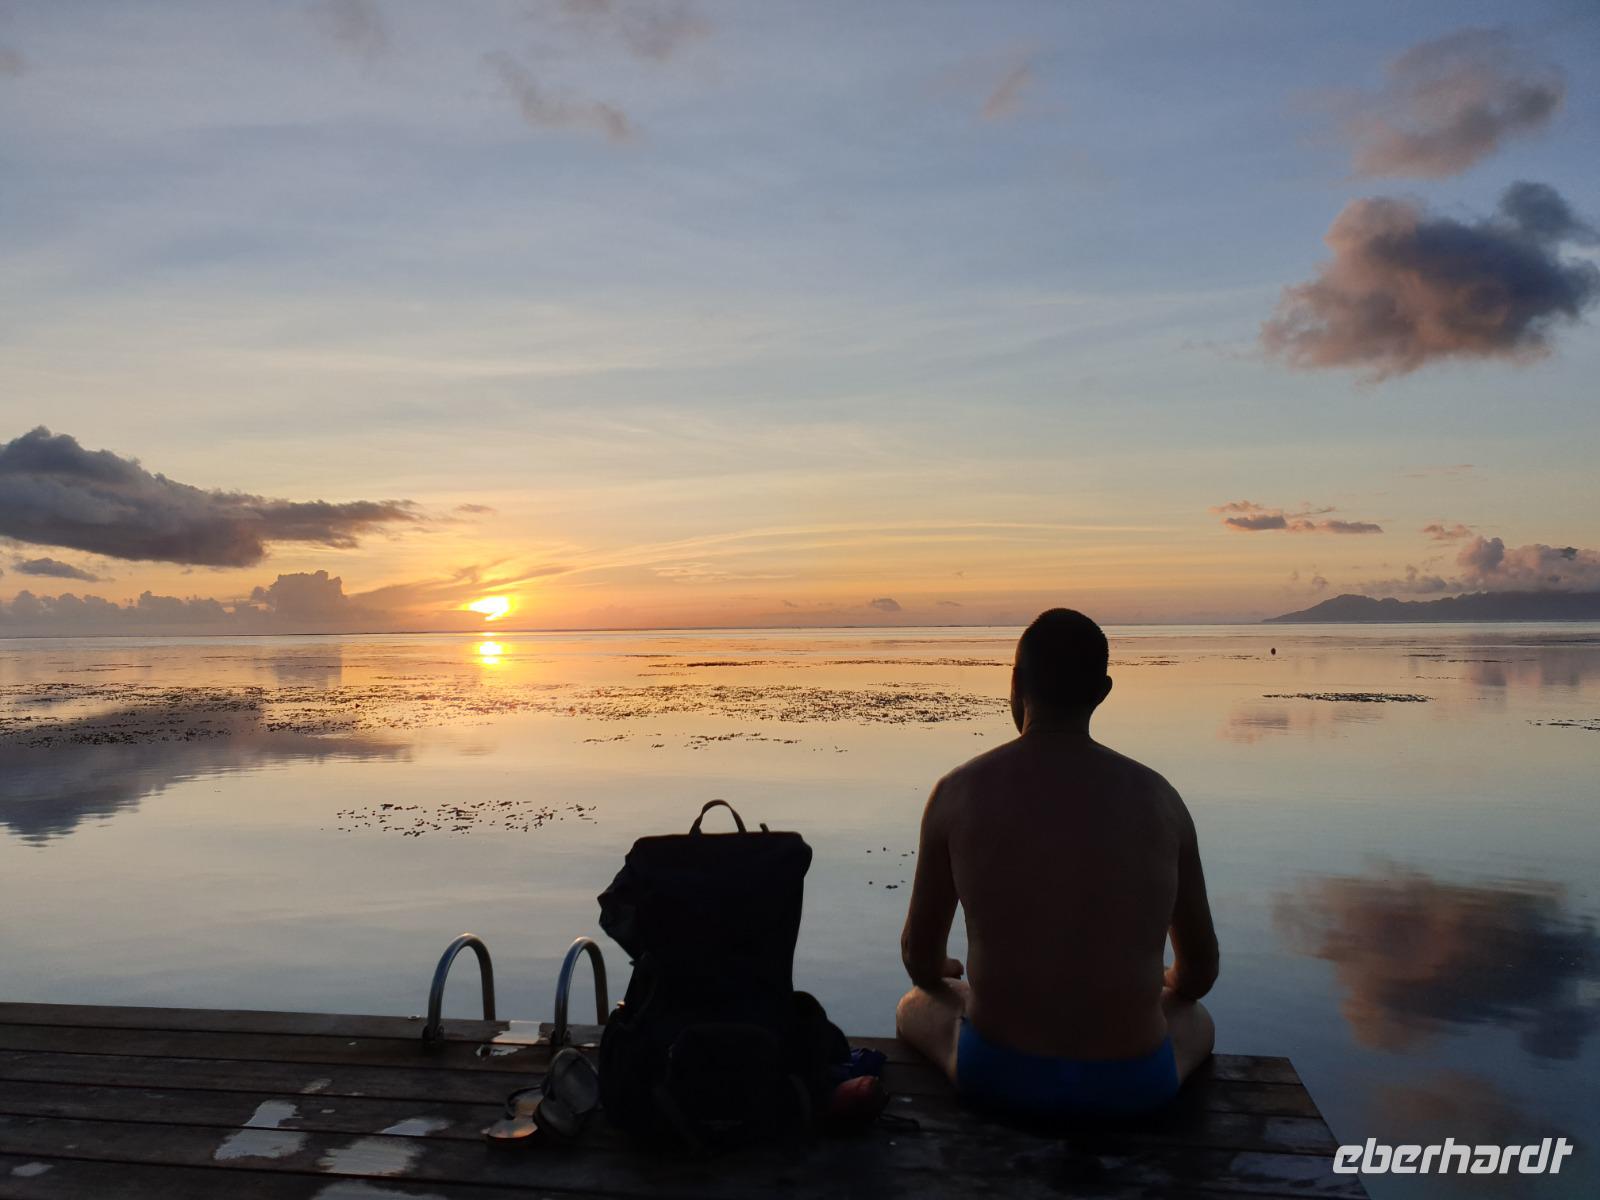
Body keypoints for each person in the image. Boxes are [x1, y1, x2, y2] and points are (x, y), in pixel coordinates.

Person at [895, 608, 1218, 1119]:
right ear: (1103, 691)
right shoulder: (1161, 799)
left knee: (914, 1003)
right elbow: (1198, 975)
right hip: (1132, 1085)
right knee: (1194, 1016)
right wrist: (1157, 981)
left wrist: (948, 972)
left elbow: (919, 958)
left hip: (1000, 1078)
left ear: (1016, 682)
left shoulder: (956, 793)